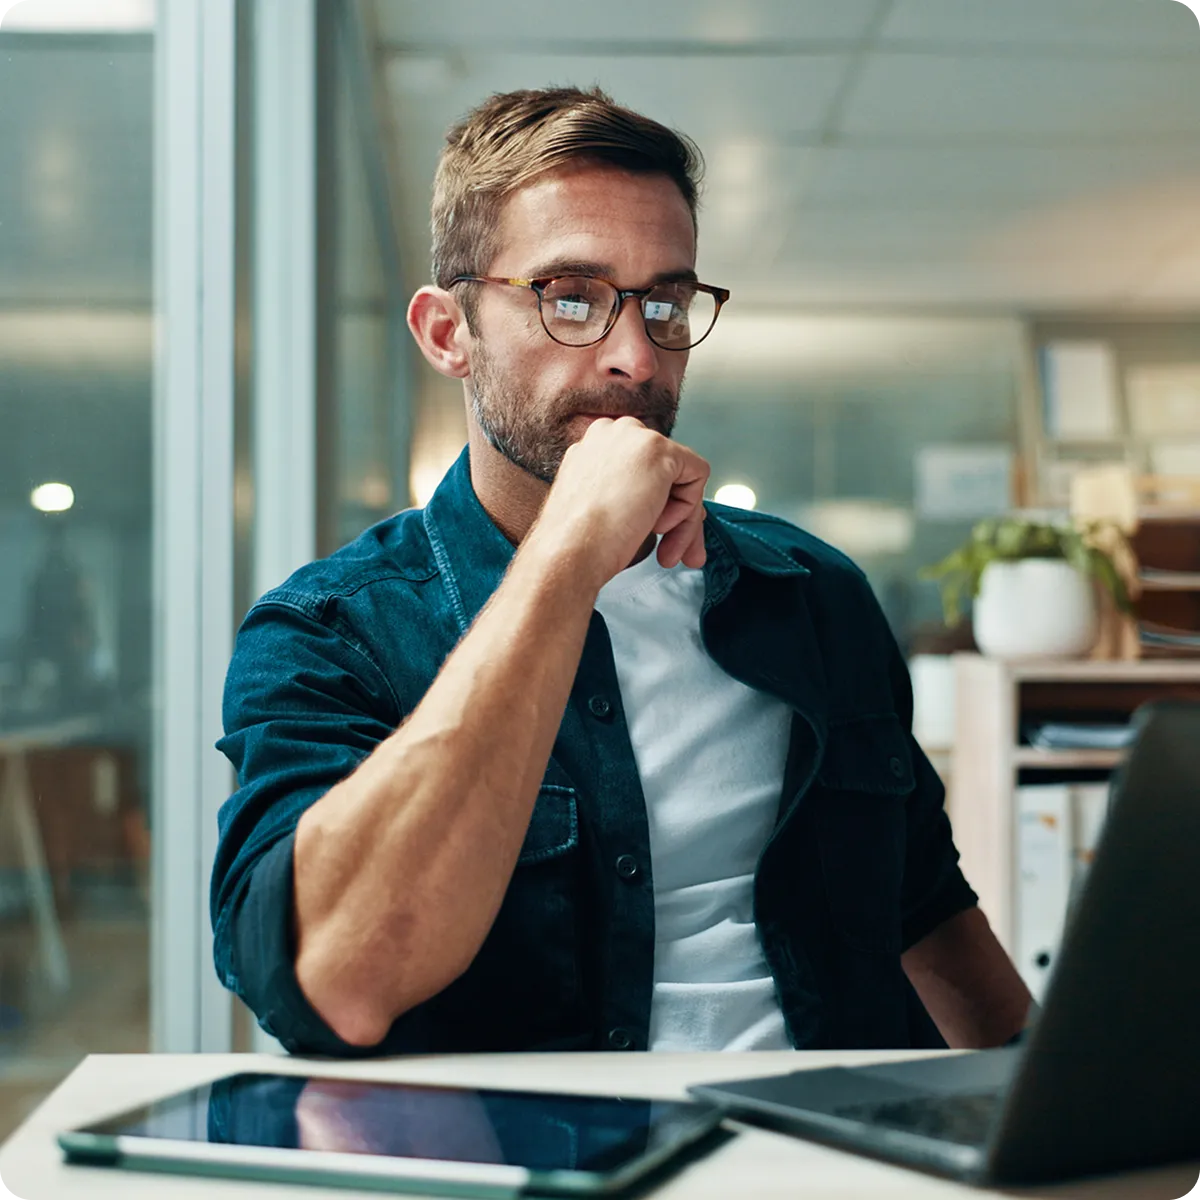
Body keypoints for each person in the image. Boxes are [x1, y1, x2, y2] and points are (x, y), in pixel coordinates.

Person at [212, 86, 1031, 1057]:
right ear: (449, 334)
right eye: (571, 300)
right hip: (550, 1168)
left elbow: (926, 910)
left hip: (834, 1151)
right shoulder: (326, 630)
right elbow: (341, 980)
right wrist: (569, 556)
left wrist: (1055, 1123)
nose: (636, 358)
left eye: (667, 303)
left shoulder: (816, 594)